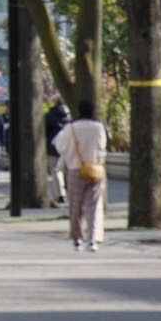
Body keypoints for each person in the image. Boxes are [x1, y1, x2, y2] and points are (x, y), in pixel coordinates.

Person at [53, 100, 108, 252]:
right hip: (95, 169)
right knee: (94, 205)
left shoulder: (71, 128)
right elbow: (102, 147)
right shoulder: (98, 128)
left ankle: (77, 238)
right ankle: (93, 239)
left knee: (76, 205)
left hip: (75, 169)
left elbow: (60, 145)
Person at [44, 98, 71, 203]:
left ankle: (61, 194)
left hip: (53, 147)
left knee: (56, 170)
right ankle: (71, 192)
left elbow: (44, 131)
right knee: (69, 170)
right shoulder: (70, 115)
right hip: (69, 147)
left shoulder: (50, 115)